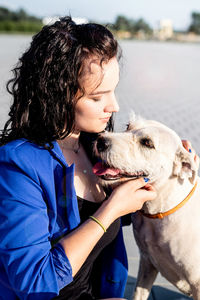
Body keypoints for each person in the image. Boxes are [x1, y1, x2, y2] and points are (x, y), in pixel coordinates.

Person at [0, 17, 196, 300]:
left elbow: (136, 204)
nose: (113, 106)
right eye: (97, 97)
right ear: (58, 95)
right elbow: (34, 283)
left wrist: (169, 161)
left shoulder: (95, 146)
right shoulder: (17, 167)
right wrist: (109, 211)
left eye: (113, 90)